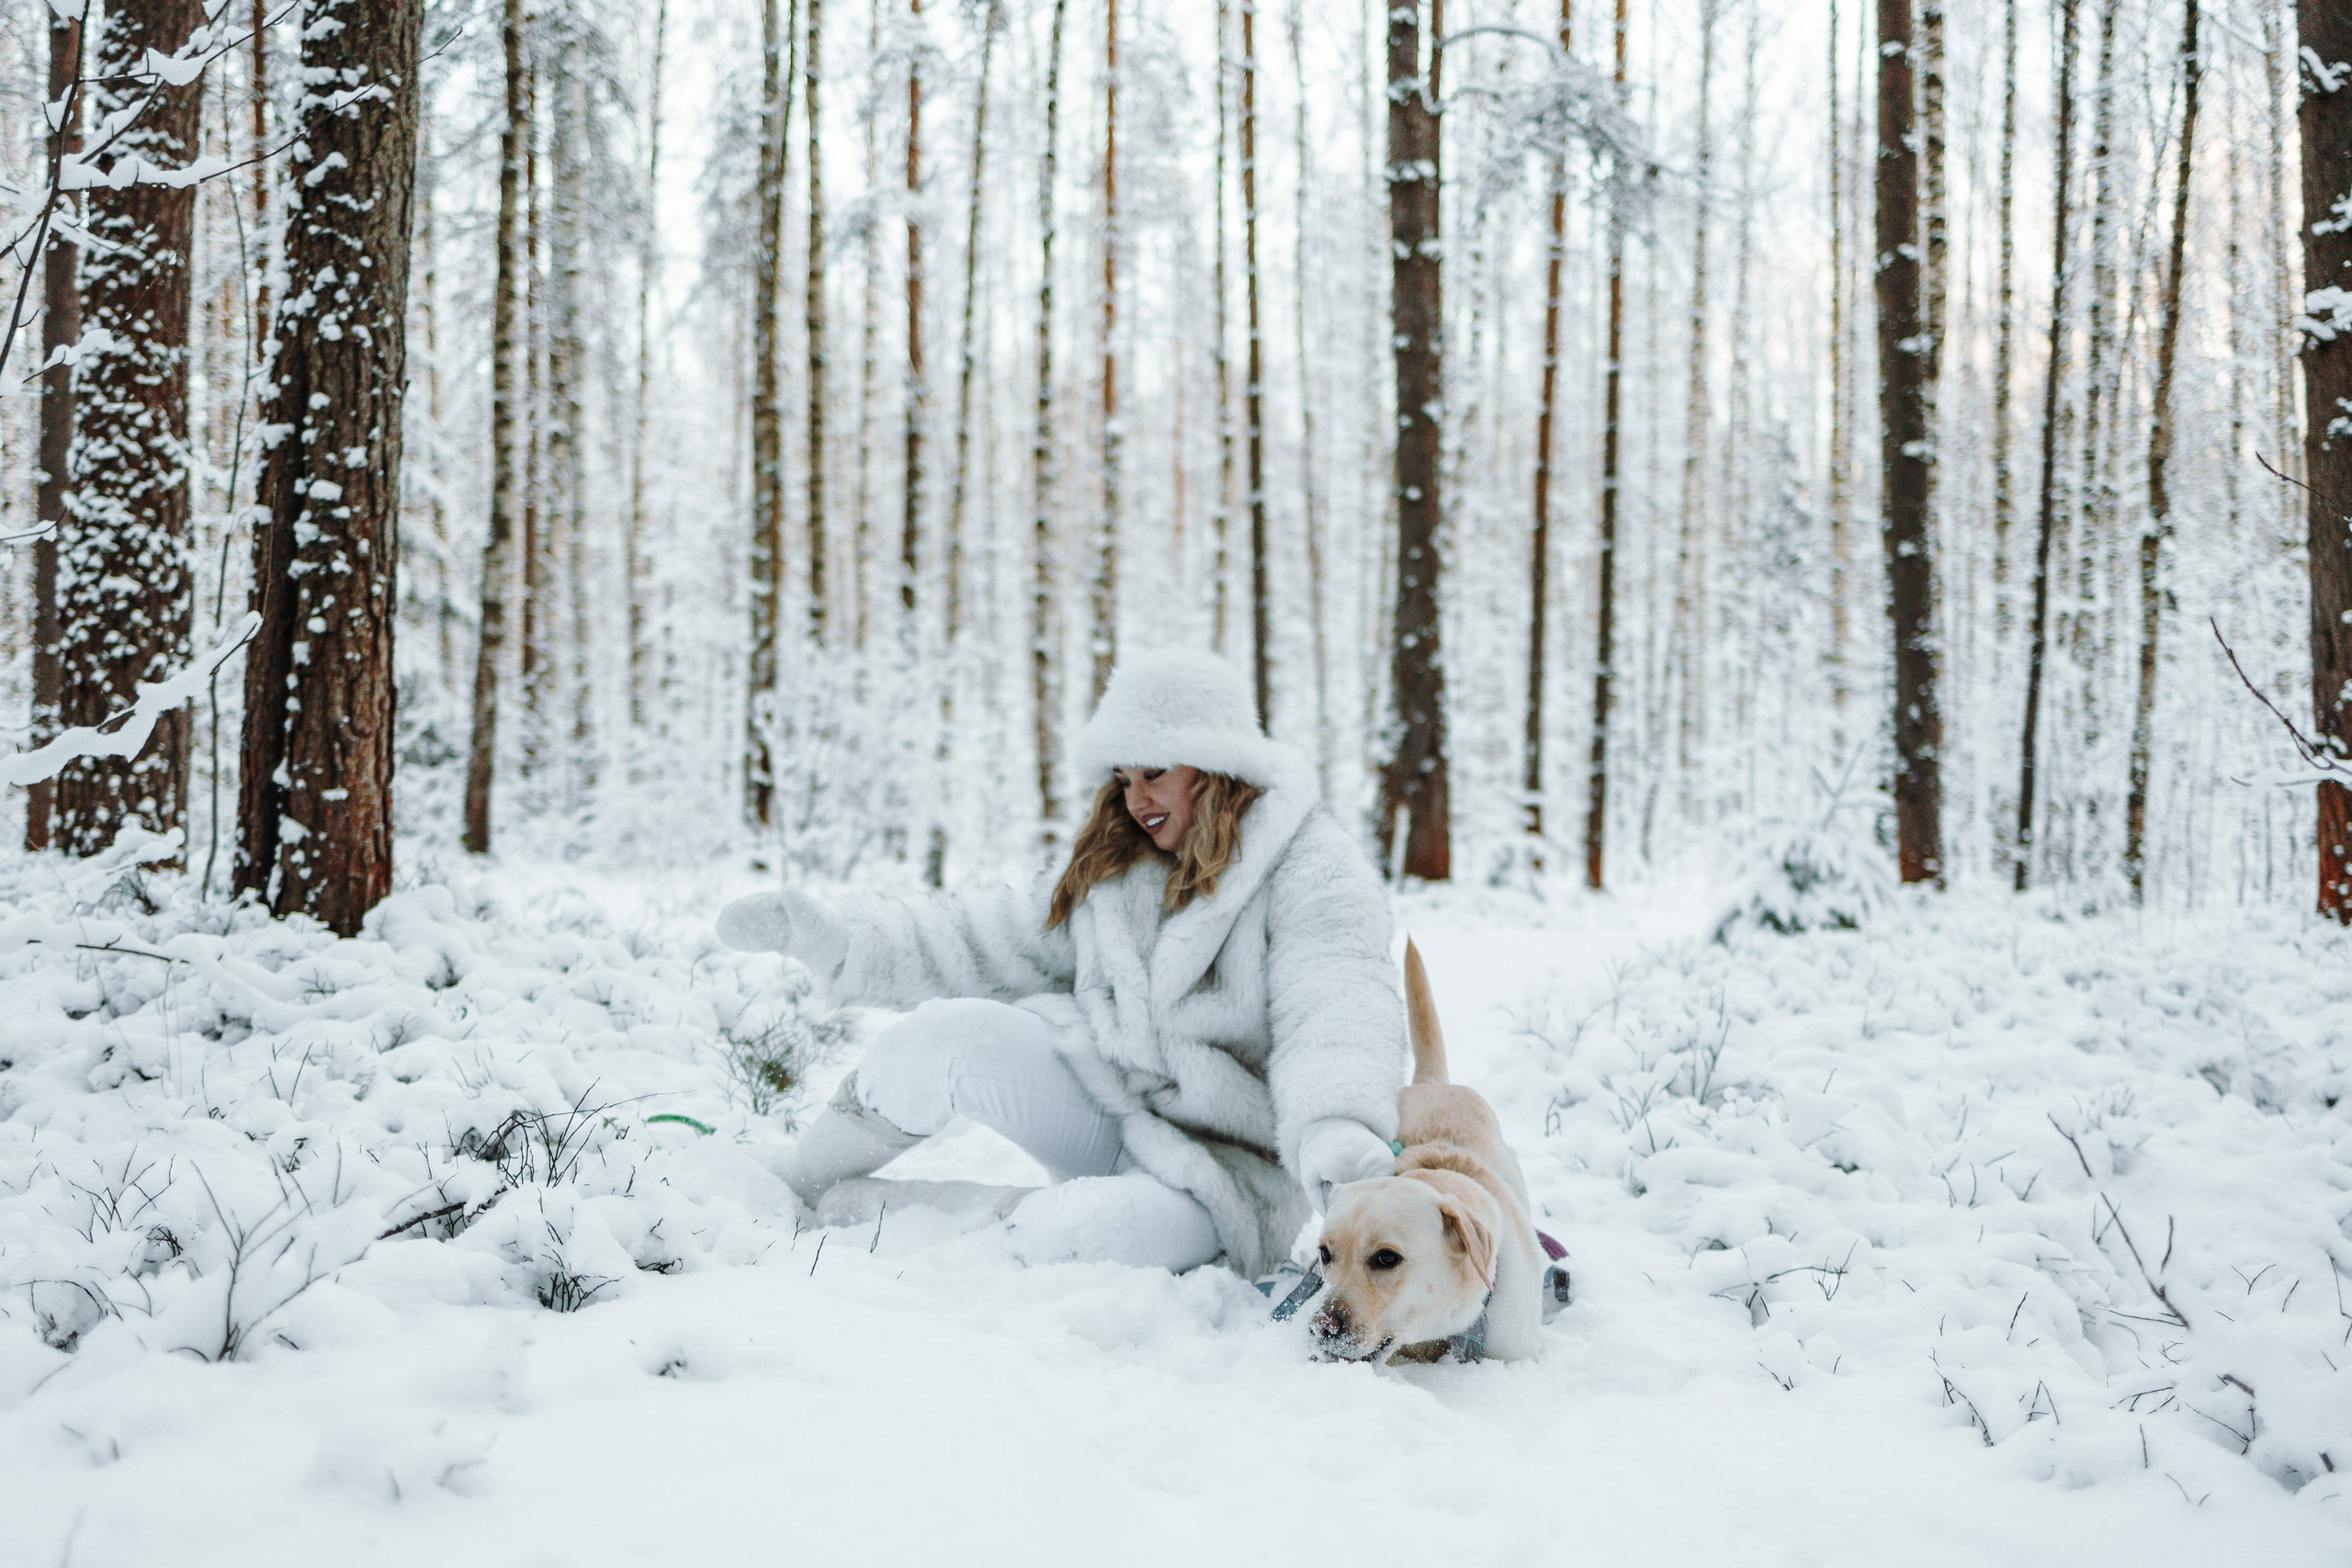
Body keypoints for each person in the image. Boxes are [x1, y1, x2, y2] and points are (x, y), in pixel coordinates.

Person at [716, 649, 1406, 1277]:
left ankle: (862, 1216)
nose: (1135, 800)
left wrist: (1336, 1126)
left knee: (1069, 1236)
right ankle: (788, 1188)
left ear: (1217, 766)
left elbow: (1337, 1010)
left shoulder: (1313, 868)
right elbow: (980, 941)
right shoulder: (1120, 867)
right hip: (1107, 1109)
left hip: (1224, 1179)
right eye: (1123, 778)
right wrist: (838, 942)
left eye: (1155, 774)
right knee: (943, 1037)